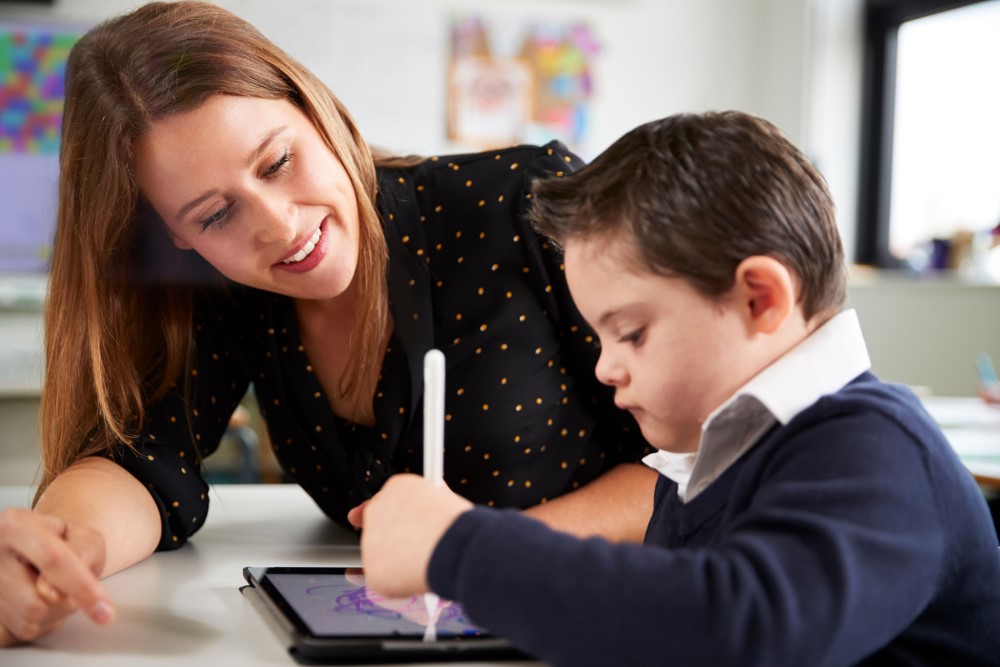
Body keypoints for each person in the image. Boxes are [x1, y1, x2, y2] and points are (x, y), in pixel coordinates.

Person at [0, 0, 655, 647]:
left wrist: (481, 549)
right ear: (174, 236)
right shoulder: (229, 292)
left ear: (315, 108)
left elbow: (707, 465)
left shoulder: (526, 202)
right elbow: (141, 461)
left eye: (277, 162)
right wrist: (59, 551)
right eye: (214, 215)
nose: (281, 225)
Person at [357, 111, 1000, 666]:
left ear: (760, 298)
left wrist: (460, 547)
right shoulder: (710, 452)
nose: (605, 367)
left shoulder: (878, 452)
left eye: (630, 332)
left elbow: (738, 631)